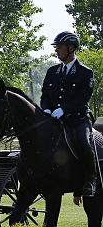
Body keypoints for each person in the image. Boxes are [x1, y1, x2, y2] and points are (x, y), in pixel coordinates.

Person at [40, 31, 97, 196]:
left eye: (60, 47)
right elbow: (45, 95)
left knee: (84, 144)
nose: (56, 50)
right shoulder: (52, 72)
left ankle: (90, 181)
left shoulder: (85, 73)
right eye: (56, 47)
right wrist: (47, 109)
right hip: (54, 120)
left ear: (71, 48)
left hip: (77, 120)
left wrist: (63, 109)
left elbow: (82, 99)